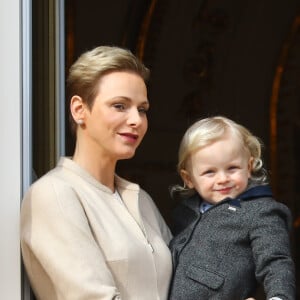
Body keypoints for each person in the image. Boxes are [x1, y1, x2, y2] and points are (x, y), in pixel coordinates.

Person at [20, 46, 173, 300]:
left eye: (142, 109)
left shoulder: (142, 200)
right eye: (120, 106)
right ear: (79, 109)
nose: (136, 120)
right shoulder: (54, 194)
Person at [168, 116, 296, 300]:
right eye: (209, 172)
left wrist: (279, 296)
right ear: (188, 179)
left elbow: (275, 260)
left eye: (232, 168)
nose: (222, 179)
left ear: (249, 166)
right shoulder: (184, 213)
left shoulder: (261, 211)